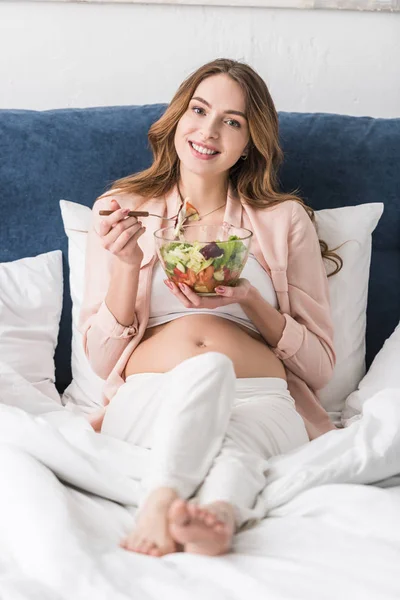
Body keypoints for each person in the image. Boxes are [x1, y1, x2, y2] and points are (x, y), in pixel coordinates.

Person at [79, 58, 342, 558]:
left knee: (237, 434)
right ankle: (188, 507)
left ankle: (208, 516)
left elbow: (321, 367)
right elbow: (98, 360)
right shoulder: (120, 208)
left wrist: (250, 299)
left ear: (249, 143)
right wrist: (129, 265)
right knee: (211, 373)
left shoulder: (283, 220)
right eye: (199, 110)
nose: (209, 130)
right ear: (178, 118)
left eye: (232, 121)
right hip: (150, 397)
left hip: (263, 398)